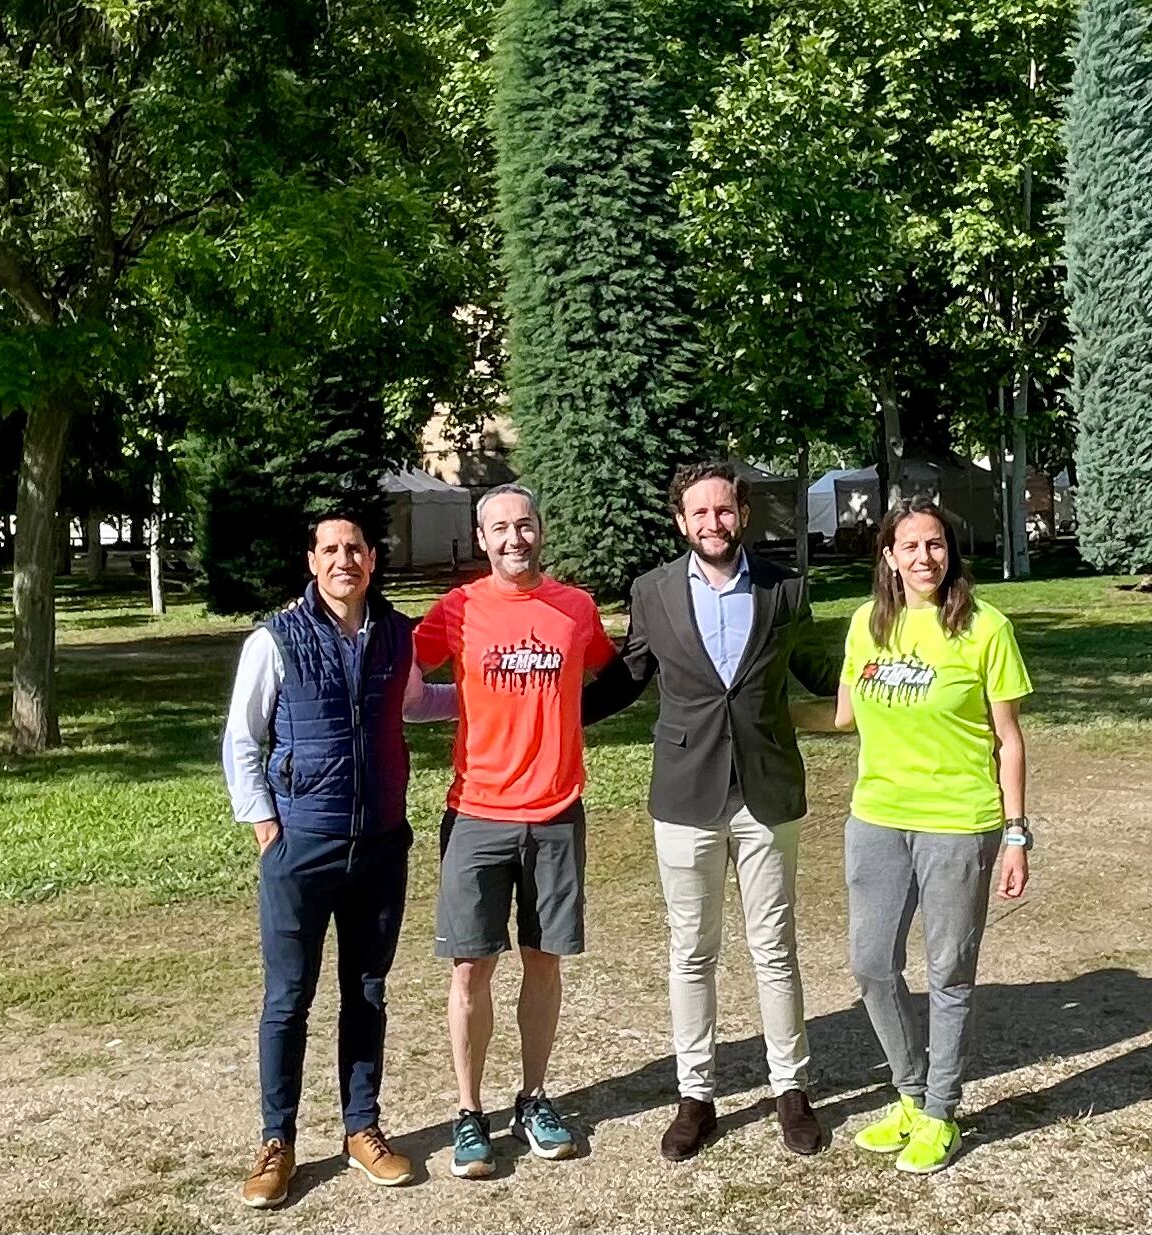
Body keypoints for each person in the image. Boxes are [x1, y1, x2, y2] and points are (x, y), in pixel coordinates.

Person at [584, 461, 841, 1162]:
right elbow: (632, 672)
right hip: (686, 794)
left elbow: (819, 669)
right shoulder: (654, 591)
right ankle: (695, 1094)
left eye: (723, 511)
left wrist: (893, 681)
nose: (713, 524)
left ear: (743, 515)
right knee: (691, 952)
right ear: (681, 522)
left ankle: (791, 1087)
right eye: (699, 514)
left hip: (767, 792)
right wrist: (559, 713)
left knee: (775, 947)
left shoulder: (784, 586)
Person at [223, 510, 455, 1207]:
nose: (343, 559)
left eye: (354, 548)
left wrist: (487, 700)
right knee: (288, 999)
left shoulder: (395, 634)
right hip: (301, 847)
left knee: (368, 991)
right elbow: (242, 740)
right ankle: (277, 1141)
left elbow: (412, 703)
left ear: (372, 560)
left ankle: (363, 1128)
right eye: (330, 549)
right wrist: (268, 828)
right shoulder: (276, 638)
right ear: (312, 560)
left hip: (381, 845)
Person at [413, 483, 617, 1179]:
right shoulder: (458, 608)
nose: (513, 538)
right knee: (470, 966)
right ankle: (469, 1112)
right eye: (499, 528)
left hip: (556, 812)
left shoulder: (576, 609)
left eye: (524, 524)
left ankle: (533, 1097)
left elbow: (612, 678)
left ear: (540, 530)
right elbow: (403, 678)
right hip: (477, 812)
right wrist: (453, 701)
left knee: (543, 959)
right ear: (480, 537)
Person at [834, 495, 1032, 1175]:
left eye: (937, 545)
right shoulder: (866, 625)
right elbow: (840, 714)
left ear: (951, 552)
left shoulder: (985, 628)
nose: (925, 557)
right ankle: (911, 1091)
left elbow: (1009, 740)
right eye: (911, 545)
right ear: (888, 555)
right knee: (870, 964)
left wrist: (1016, 834)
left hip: (959, 823)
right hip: (877, 818)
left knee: (949, 972)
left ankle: (941, 1110)